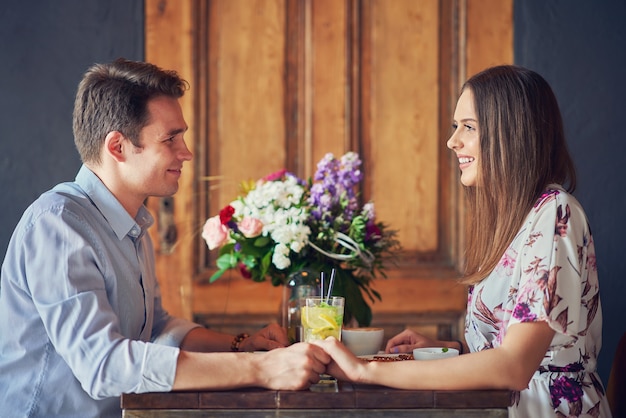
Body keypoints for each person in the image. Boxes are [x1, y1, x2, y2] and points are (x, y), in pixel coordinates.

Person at [0, 58, 330, 418]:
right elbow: (103, 365)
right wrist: (262, 369)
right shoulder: (57, 225)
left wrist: (240, 346)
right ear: (117, 146)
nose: (185, 152)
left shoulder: (133, 223)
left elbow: (156, 327)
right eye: (170, 139)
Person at [313, 65, 612, 417]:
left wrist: (367, 370)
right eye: (456, 127)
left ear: (510, 133)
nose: (453, 141)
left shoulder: (555, 213)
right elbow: (509, 350)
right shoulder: (515, 222)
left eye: (468, 127)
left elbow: (515, 366)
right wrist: (449, 349)